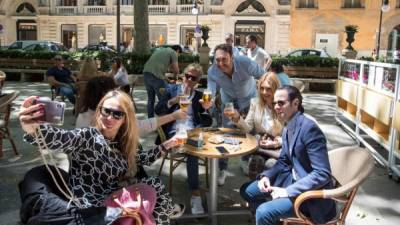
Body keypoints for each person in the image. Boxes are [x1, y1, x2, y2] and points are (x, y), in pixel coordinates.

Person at [19, 90, 186, 225]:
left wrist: (168, 144)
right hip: (93, 210)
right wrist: (32, 128)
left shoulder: (123, 142)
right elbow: (58, 138)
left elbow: (143, 158)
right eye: (106, 111)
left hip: (114, 198)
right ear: (99, 112)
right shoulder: (88, 136)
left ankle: (163, 216)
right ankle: (163, 215)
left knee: (154, 186)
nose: (109, 118)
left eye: (117, 114)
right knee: (154, 202)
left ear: (125, 119)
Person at [240, 85, 336, 225]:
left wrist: (287, 191)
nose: (276, 107)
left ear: (295, 103)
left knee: (263, 211)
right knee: (247, 190)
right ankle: (271, 219)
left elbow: (322, 173)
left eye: (281, 103)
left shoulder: (309, 129)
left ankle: (268, 217)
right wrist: (266, 176)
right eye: (275, 103)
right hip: (290, 180)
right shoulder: (287, 127)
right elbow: (284, 161)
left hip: (309, 196)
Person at [155, 63, 212, 215]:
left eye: (193, 78)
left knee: (199, 146)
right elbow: (158, 110)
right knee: (192, 151)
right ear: (183, 76)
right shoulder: (171, 90)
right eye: (187, 76)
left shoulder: (200, 96)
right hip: (174, 132)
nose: (189, 80)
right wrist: (173, 101)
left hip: (192, 133)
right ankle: (195, 195)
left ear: (197, 81)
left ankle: (200, 190)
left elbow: (208, 122)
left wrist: (206, 110)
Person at [207, 43, 265, 185]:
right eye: (217, 60)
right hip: (229, 103)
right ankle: (223, 169)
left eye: (224, 59)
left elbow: (264, 75)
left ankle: (244, 160)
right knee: (226, 134)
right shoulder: (213, 71)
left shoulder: (245, 63)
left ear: (232, 57)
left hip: (248, 100)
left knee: (249, 133)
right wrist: (209, 101)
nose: (220, 63)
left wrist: (266, 97)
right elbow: (210, 91)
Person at [76, 76, 188, 137]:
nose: (118, 94)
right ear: (104, 95)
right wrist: (173, 116)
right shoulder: (108, 118)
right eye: (114, 91)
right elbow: (139, 127)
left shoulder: (84, 114)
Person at [226, 73, 283, 176]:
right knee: (255, 163)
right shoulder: (255, 103)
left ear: (276, 89)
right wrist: (238, 118)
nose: (264, 92)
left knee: (270, 165)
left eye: (268, 89)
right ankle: (254, 190)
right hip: (260, 147)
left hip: (278, 149)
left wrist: (276, 142)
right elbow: (247, 128)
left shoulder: (283, 106)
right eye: (262, 88)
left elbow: (292, 133)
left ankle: (269, 190)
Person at [143, 45, 182, 118]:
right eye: (179, 54)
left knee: (151, 100)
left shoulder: (160, 50)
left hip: (146, 74)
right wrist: (176, 78)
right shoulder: (173, 52)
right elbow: (176, 70)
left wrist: (169, 81)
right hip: (156, 77)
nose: (178, 56)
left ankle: (150, 121)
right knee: (164, 100)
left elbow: (159, 73)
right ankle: (164, 122)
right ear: (177, 51)